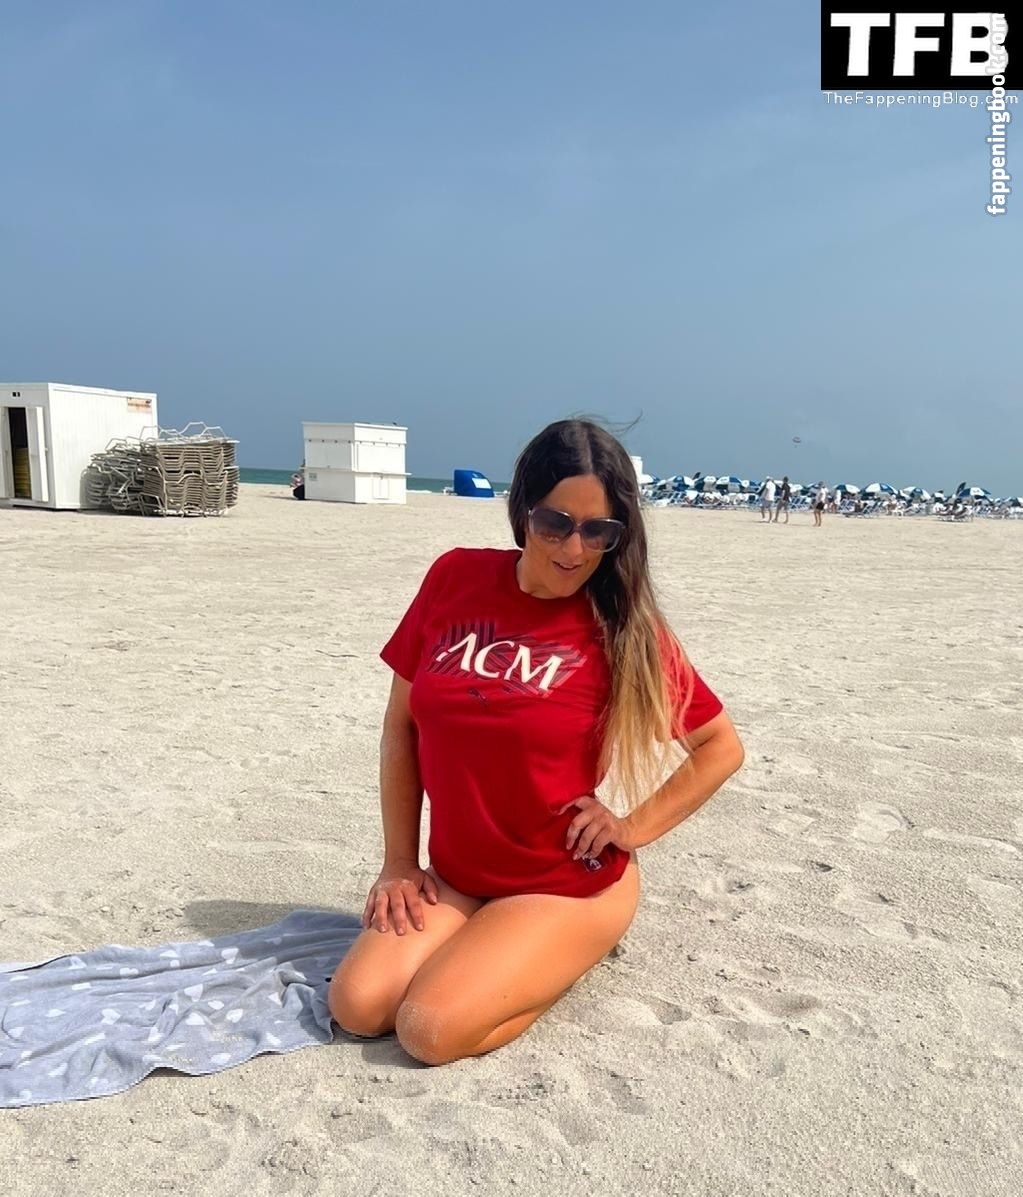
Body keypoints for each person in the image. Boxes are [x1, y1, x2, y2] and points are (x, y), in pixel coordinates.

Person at [327, 419, 744, 1065]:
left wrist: (630, 826)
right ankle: (492, 952)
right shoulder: (454, 576)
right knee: (358, 1006)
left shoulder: (622, 627)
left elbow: (720, 747)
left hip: (561, 882)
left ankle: (563, 954)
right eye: (555, 524)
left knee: (428, 1030)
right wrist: (399, 863)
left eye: (598, 531)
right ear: (522, 509)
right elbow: (400, 728)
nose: (574, 549)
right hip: (459, 875)